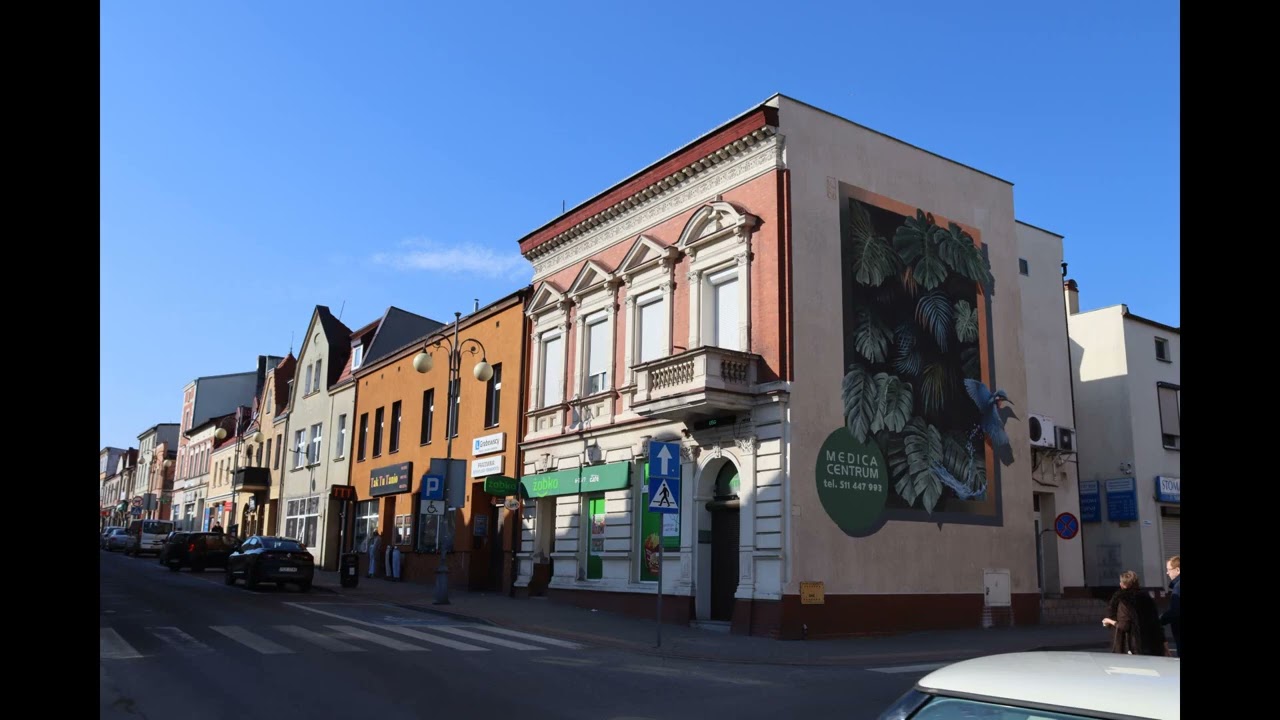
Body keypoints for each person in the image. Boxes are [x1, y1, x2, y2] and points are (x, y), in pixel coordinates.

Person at [1102, 571, 1165, 656]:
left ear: (1122, 584)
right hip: (1150, 644)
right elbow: (1156, 623)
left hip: (1130, 646)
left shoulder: (1124, 601)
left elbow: (1124, 625)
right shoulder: (1146, 599)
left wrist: (1109, 621)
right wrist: (1164, 644)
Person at [1160, 555, 1180, 657]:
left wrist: (1160, 620)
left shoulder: (1178, 587)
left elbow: (1176, 611)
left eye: (1169, 570)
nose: (1167, 573)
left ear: (1178, 570)